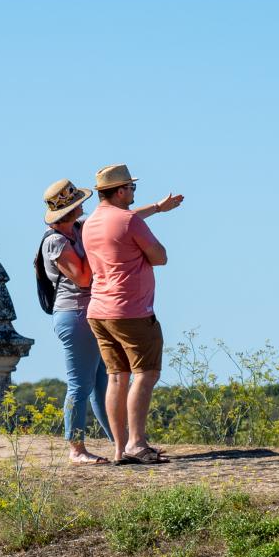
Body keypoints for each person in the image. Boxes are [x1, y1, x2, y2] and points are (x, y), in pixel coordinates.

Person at [83, 163, 184, 466]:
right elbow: (160, 256)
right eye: (131, 188)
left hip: (99, 310)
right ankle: (137, 443)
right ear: (122, 190)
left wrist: (156, 207)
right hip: (132, 310)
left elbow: (124, 220)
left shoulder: (90, 223)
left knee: (117, 377)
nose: (133, 192)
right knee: (146, 373)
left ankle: (119, 448)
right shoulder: (129, 222)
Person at [40, 178, 113, 465]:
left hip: (90, 313)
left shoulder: (79, 230)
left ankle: (120, 441)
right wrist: (102, 253)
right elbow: (83, 277)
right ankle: (76, 448)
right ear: (68, 209)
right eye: (78, 202)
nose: (84, 205)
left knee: (102, 383)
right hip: (74, 315)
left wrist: (156, 209)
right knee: (80, 385)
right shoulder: (56, 242)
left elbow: (117, 221)